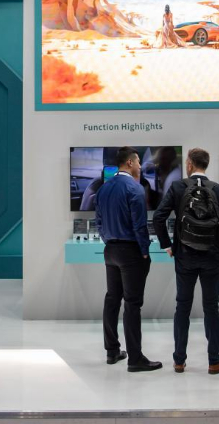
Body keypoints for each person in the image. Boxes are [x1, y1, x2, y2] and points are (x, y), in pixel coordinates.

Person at [153, 148, 219, 375]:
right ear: (206, 165)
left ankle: (179, 361)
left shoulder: (178, 187)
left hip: (185, 256)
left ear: (189, 164)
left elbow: (158, 217)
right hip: (212, 256)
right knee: (211, 307)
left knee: (182, 306)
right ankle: (214, 361)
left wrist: (167, 245)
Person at [94, 146, 162, 372]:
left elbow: (99, 222)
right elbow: (139, 225)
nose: (141, 167)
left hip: (110, 251)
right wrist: (144, 251)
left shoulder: (103, 188)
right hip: (131, 252)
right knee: (132, 304)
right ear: (130, 163)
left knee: (112, 299)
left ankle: (112, 351)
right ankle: (135, 359)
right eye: (139, 162)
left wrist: (108, 241)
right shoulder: (134, 188)